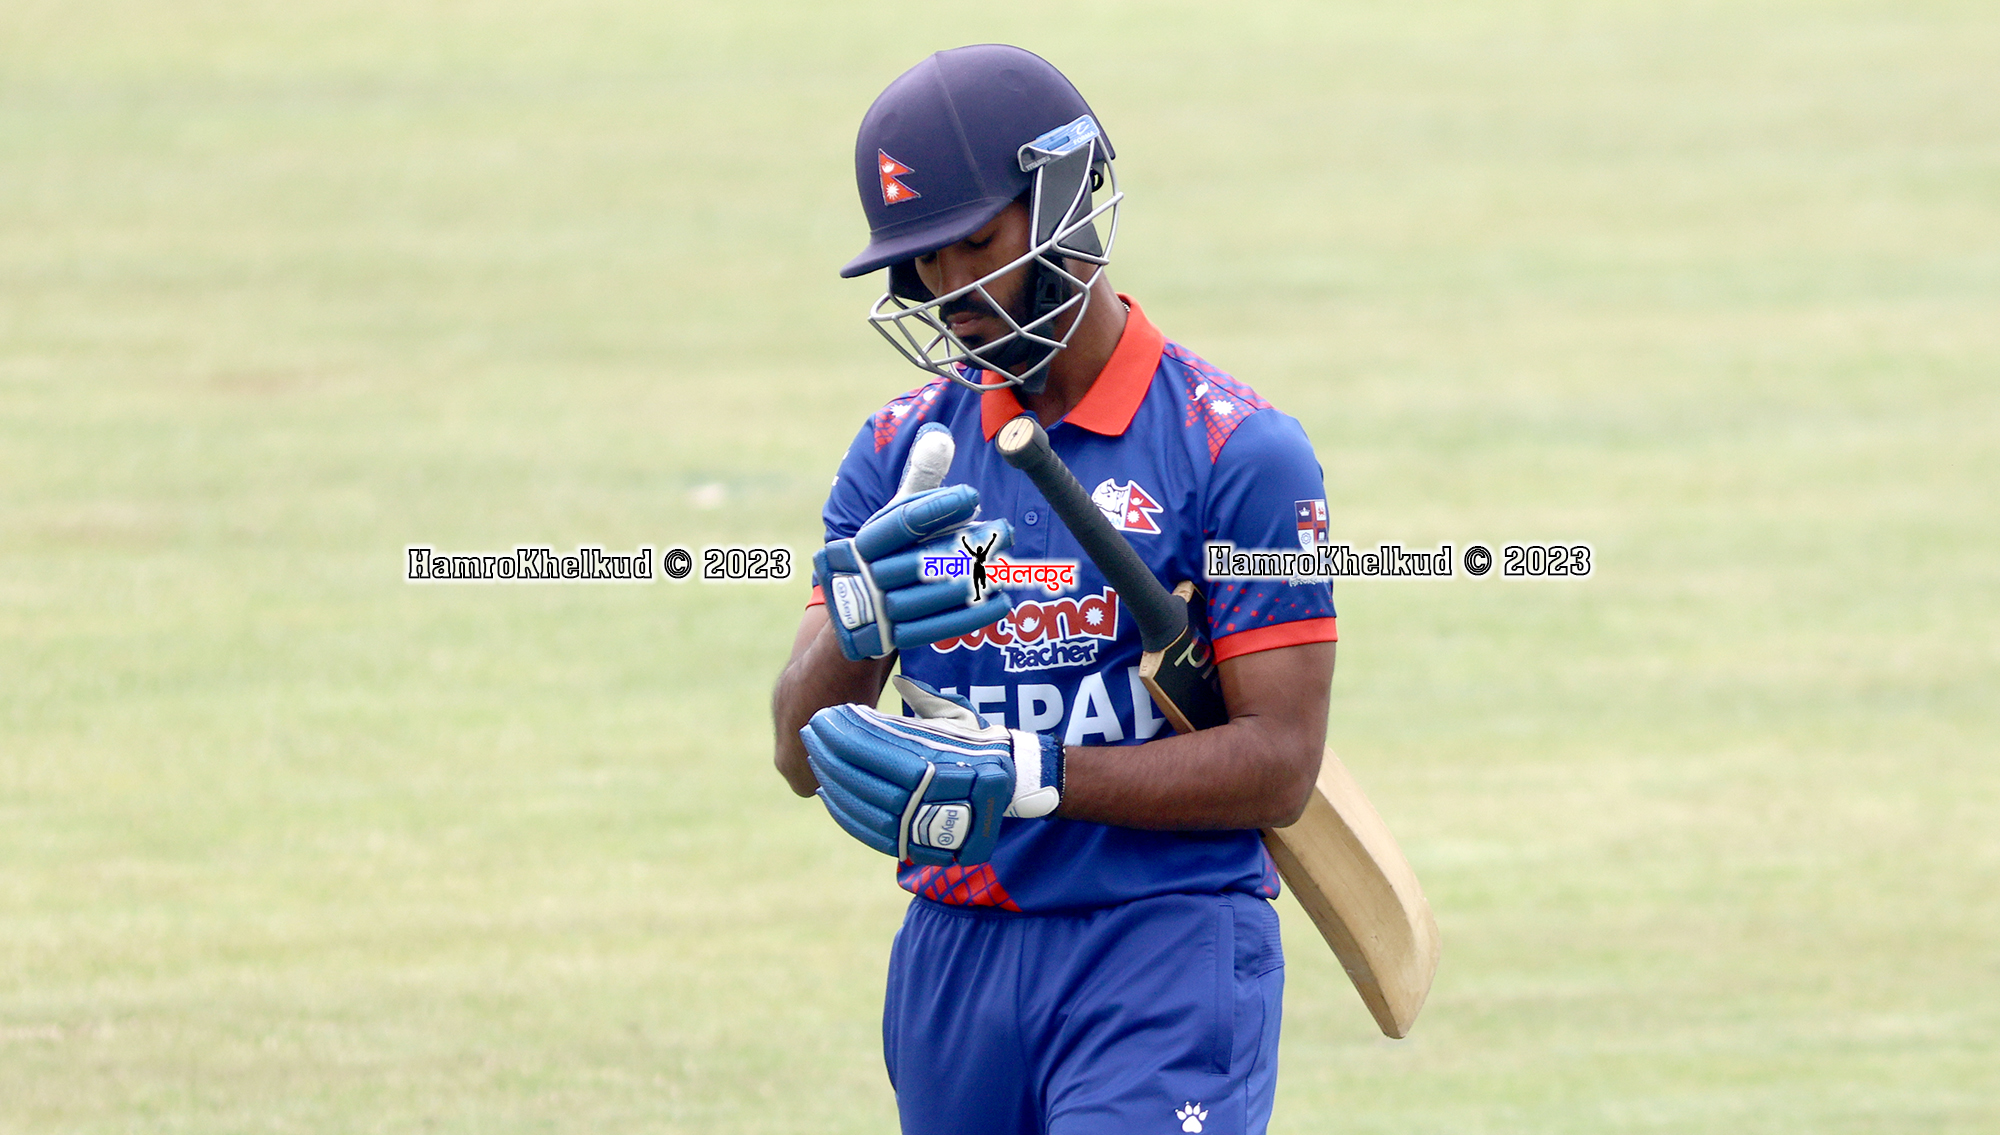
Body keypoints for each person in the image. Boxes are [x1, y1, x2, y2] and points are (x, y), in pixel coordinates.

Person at [770, 44, 1338, 1135]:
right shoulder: (895, 455)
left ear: (1068, 199)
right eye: (923, 261)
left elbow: (1280, 765)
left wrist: (1033, 773)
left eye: (975, 243)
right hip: (954, 953)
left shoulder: (1241, 453)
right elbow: (800, 756)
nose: (949, 291)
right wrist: (857, 620)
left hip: (1162, 942)